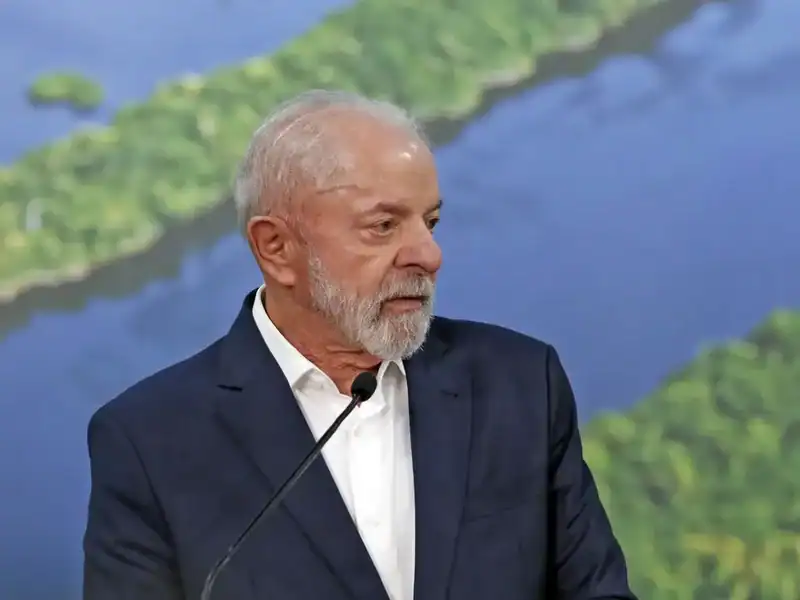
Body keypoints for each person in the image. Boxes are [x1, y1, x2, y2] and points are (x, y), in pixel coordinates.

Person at [83, 89, 637, 600]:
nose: (429, 255)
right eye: (383, 226)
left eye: (430, 222)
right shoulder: (149, 442)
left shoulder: (519, 385)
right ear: (276, 248)